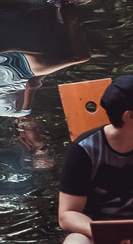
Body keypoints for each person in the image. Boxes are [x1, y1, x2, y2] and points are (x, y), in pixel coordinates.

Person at [59, 75, 133, 242]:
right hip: (96, 228)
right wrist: (106, 233)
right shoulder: (85, 149)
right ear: (130, 116)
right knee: (75, 241)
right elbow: (67, 215)